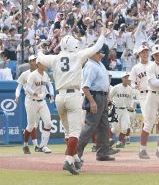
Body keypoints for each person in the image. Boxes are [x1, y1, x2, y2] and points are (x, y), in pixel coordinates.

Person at [36, 28, 110, 175]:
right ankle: (69, 160)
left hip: (59, 96)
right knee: (75, 131)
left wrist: (39, 48)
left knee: (68, 132)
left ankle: (75, 157)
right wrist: (102, 34)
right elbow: (96, 47)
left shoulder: (55, 58)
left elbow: (40, 57)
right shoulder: (77, 55)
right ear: (73, 46)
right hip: (73, 95)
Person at [77, 44, 116, 166]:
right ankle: (75, 153)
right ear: (92, 53)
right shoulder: (90, 66)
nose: (101, 56)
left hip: (103, 96)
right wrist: (92, 102)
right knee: (90, 126)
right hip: (95, 96)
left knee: (104, 126)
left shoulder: (99, 64)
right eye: (99, 54)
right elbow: (85, 87)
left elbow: (104, 83)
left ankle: (102, 153)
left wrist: (107, 97)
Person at [23, 59, 54, 154]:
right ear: (38, 64)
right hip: (31, 101)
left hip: (42, 102)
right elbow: (27, 88)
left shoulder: (45, 74)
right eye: (43, 63)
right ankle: (25, 145)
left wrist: (51, 95)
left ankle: (43, 146)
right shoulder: (33, 75)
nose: (45, 65)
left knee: (48, 123)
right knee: (31, 125)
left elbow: (50, 85)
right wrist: (36, 94)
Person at [16, 55, 41, 152]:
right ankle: (35, 146)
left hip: (39, 100)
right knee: (32, 124)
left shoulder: (41, 73)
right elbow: (18, 87)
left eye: (35, 60)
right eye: (31, 61)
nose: (33, 62)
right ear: (29, 62)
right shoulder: (24, 74)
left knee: (35, 124)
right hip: (29, 99)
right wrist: (17, 96)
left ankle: (27, 141)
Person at [109, 72, 135, 148]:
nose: (127, 79)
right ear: (122, 79)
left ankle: (119, 142)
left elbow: (131, 99)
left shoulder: (130, 89)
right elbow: (110, 96)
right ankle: (109, 139)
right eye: (125, 77)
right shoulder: (116, 87)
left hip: (125, 110)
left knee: (125, 128)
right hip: (116, 109)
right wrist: (110, 103)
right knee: (115, 129)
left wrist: (130, 106)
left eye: (128, 78)